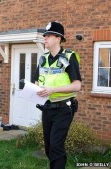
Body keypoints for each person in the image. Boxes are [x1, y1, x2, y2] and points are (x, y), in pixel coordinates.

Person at [35, 21, 81, 169]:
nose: (45, 38)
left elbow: (77, 85)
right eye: (44, 35)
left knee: (56, 146)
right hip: (47, 108)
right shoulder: (43, 58)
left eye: (48, 35)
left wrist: (52, 90)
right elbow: (37, 82)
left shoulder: (69, 57)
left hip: (64, 109)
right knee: (49, 148)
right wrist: (37, 90)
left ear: (58, 38)